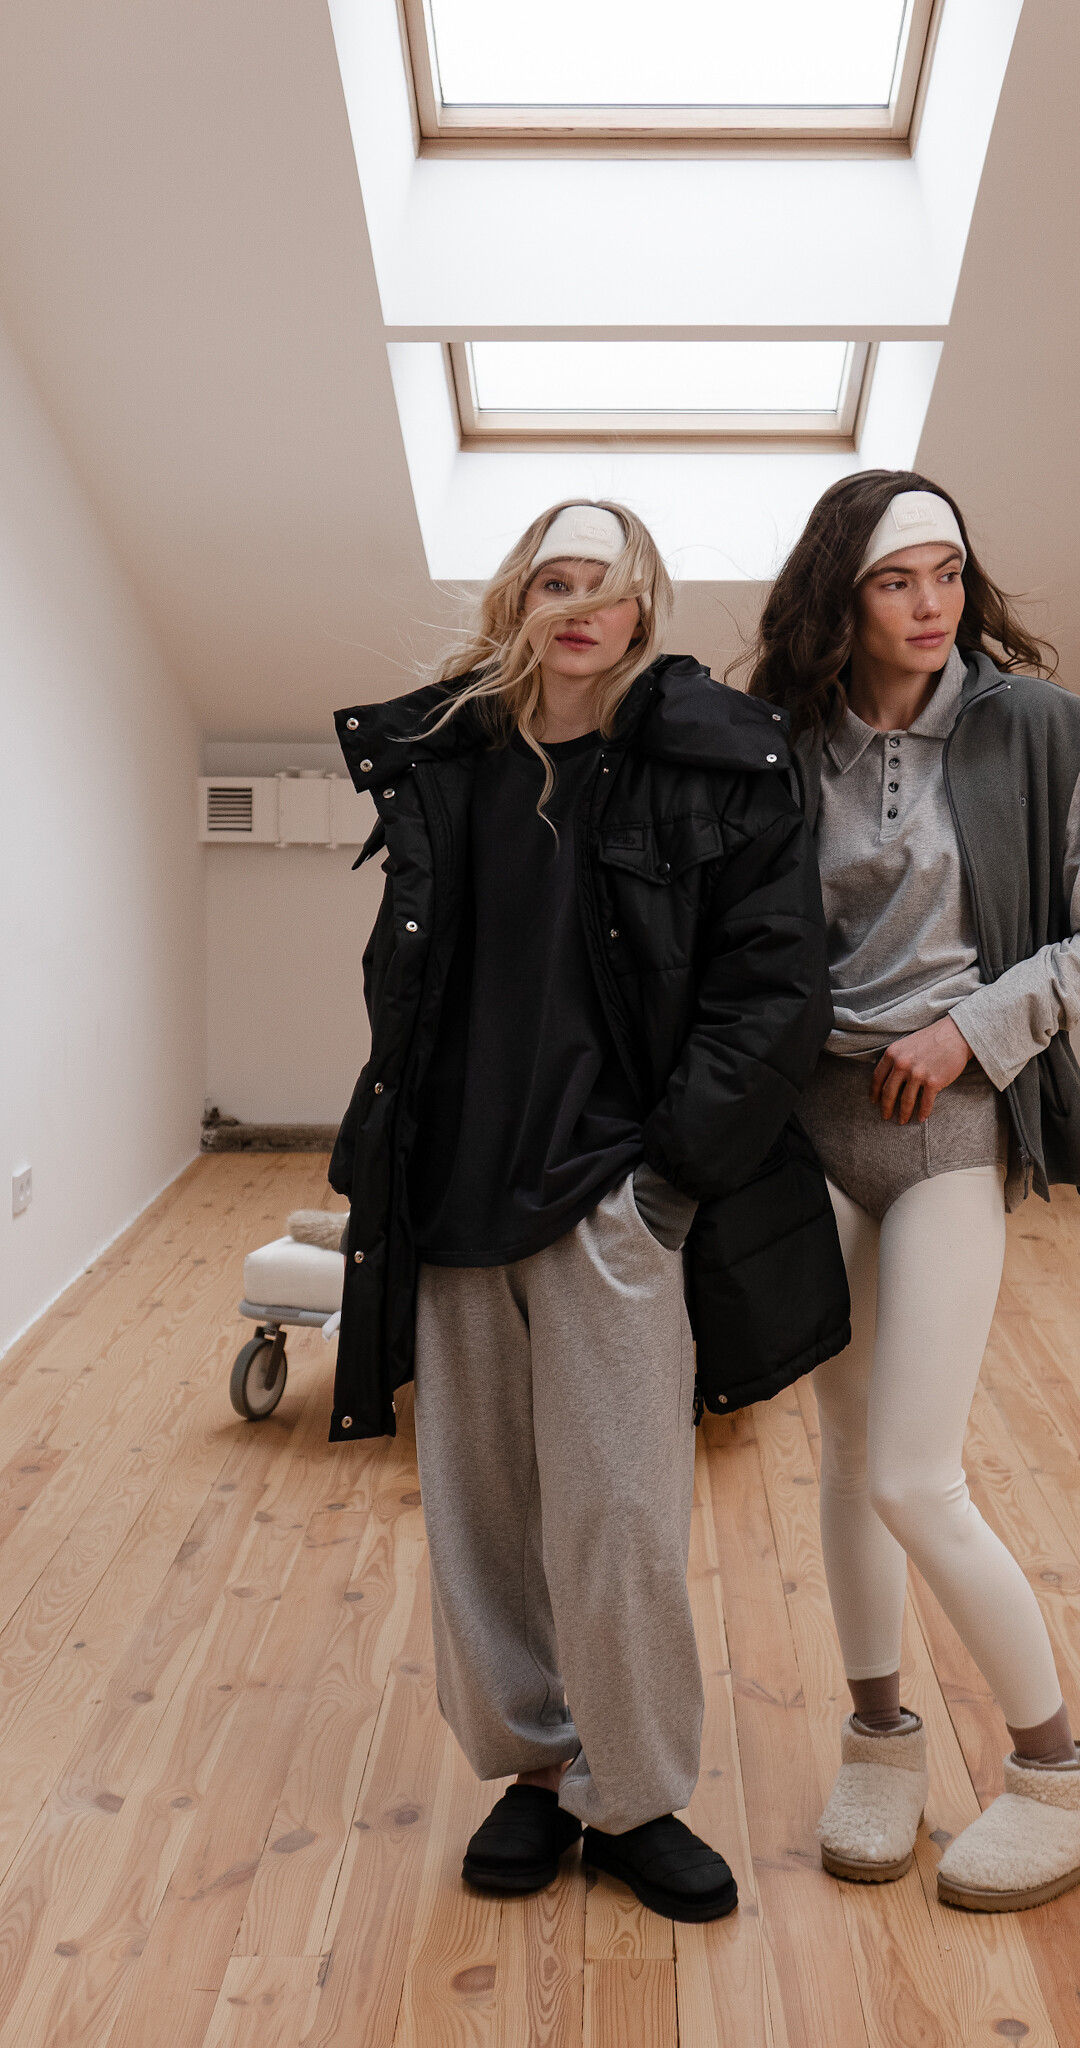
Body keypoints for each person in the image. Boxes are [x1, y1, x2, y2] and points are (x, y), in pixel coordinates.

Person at [327, 500, 847, 1924]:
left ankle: (636, 1798)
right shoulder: (445, 756)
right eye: (553, 580)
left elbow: (773, 991)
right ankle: (539, 1771)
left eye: (605, 586)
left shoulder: (720, 761)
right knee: (483, 1519)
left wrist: (661, 1184)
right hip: (452, 1194)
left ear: (643, 608)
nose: (578, 608)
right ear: (519, 597)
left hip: (612, 1199)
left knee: (618, 1512)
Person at [748, 470, 1080, 1911]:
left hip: (948, 1119)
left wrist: (972, 1029)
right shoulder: (782, 743)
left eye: (947, 574)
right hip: (811, 1124)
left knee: (914, 1475)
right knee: (844, 1449)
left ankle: (1061, 1777)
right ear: (840, 596)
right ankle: (881, 1746)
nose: (930, 605)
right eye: (895, 580)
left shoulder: (1041, 732)